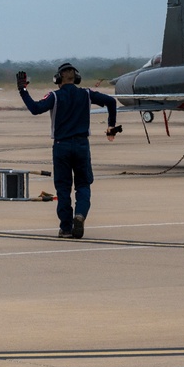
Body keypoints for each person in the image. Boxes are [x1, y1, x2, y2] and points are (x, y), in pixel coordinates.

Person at [17, 62, 119, 239]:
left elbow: (35, 109)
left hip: (61, 147)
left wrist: (23, 90)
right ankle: (79, 215)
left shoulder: (54, 96)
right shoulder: (86, 94)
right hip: (81, 146)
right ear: (76, 78)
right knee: (83, 185)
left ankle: (65, 228)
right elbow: (111, 101)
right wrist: (111, 127)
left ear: (58, 79)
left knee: (63, 188)